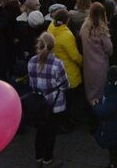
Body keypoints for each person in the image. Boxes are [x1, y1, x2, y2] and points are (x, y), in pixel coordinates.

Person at [28, 32, 70, 168]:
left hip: (38, 103)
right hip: (54, 104)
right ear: (53, 46)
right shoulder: (57, 64)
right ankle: (48, 159)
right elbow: (65, 85)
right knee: (51, 132)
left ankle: (38, 158)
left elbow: (32, 84)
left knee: (40, 131)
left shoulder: (31, 61)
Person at [47, 8, 84, 126]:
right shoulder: (67, 35)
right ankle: (68, 122)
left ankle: (62, 120)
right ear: (67, 20)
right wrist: (83, 62)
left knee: (62, 98)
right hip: (69, 71)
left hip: (55, 68)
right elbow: (74, 56)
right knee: (71, 99)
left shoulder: (51, 27)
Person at [92, 65, 117, 168]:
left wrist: (96, 105)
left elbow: (104, 111)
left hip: (111, 122)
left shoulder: (114, 94)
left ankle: (114, 164)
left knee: (112, 144)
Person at [80, 2, 113, 105]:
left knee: (90, 88)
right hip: (100, 64)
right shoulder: (101, 29)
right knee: (100, 90)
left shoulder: (84, 26)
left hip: (87, 63)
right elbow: (109, 49)